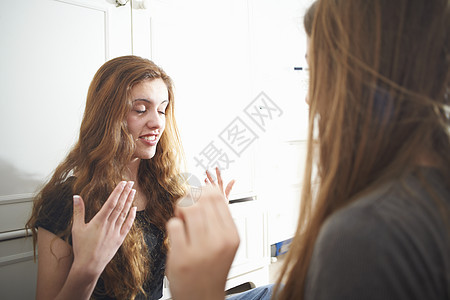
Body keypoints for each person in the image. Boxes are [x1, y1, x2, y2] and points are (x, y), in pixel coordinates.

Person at [165, 0, 450, 300]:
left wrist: (200, 293)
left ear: (363, 77)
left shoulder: (365, 238)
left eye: (318, 72)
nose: (308, 98)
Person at [26, 55, 234, 300]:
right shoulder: (66, 202)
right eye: (140, 109)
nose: (157, 122)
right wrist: (88, 268)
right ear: (107, 116)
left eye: (162, 109)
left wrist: (206, 239)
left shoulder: (165, 191)